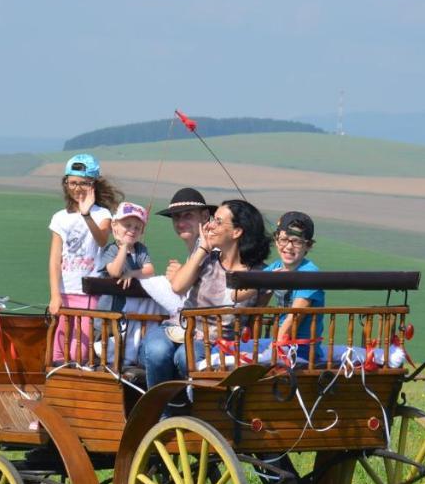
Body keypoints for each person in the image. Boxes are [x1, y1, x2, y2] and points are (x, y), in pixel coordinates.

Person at [140, 198, 272, 395]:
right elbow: (177, 286)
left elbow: (255, 315)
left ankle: (195, 409)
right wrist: (202, 249)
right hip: (178, 328)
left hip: (218, 340)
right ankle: (162, 412)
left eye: (218, 221)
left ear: (237, 231)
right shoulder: (206, 258)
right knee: (157, 350)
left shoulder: (258, 273)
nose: (209, 225)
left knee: (187, 357)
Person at [47, 154, 122, 362]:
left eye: (83, 183)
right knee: (58, 352)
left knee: (79, 353)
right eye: (72, 183)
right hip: (64, 293)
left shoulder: (103, 214)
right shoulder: (59, 217)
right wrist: (55, 295)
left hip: (90, 294)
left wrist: (86, 214)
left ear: (93, 184)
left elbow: (101, 239)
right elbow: (54, 260)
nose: (76, 188)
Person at [94, 201, 158, 364]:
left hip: (129, 316)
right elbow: (114, 271)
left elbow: (150, 270)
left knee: (126, 350)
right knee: (106, 351)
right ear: (115, 226)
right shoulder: (111, 250)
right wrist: (123, 247)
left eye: (137, 227)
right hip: (108, 317)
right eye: (127, 225)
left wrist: (132, 273)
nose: (132, 230)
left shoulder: (141, 250)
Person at [267, 211, 325, 363]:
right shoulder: (276, 267)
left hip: (301, 349)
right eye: (284, 239)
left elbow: (294, 317)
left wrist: (276, 348)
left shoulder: (310, 273)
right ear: (276, 240)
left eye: (297, 241)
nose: (288, 246)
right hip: (281, 341)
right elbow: (244, 292)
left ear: (308, 245)